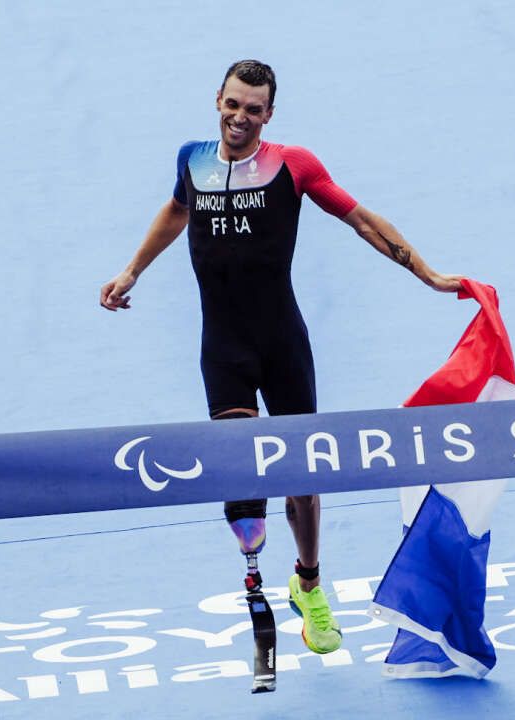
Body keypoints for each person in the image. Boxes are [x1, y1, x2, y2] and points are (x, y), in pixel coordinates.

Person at [99, 59, 461, 655]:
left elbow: (362, 221)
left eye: (254, 109)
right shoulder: (192, 159)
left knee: (303, 480)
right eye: (233, 104)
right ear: (217, 98)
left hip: (282, 344)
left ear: (270, 114)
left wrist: (428, 274)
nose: (240, 117)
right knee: (245, 492)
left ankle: (309, 583)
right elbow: (176, 210)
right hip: (224, 348)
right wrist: (131, 269)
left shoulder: (294, 165)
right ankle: (252, 562)